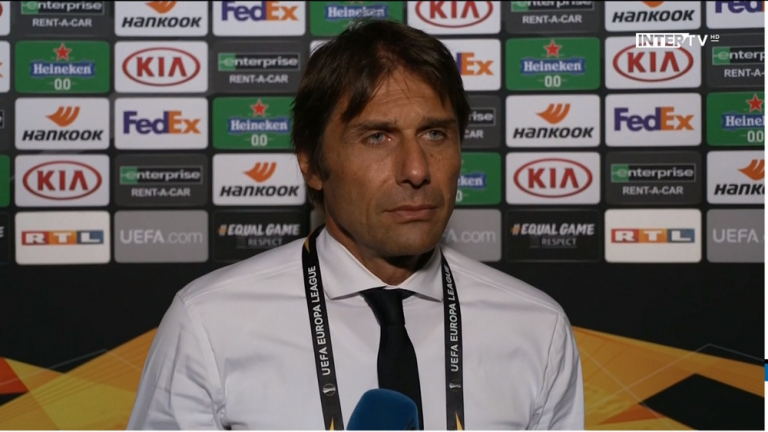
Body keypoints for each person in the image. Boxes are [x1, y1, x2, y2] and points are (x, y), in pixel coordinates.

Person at [127, 19, 584, 430]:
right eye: (377, 137)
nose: (416, 169)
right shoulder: (210, 324)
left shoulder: (537, 329)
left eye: (435, 134)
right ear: (312, 164)